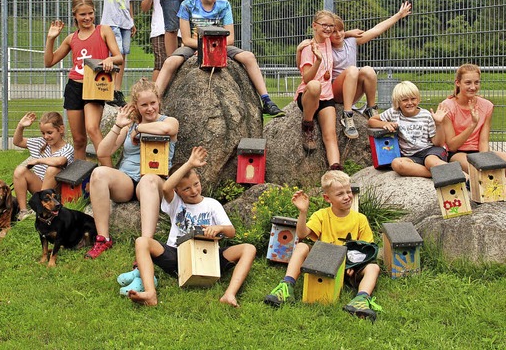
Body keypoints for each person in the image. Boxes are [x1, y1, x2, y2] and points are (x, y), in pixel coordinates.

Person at [123, 146, 256, 307]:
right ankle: (150, 294)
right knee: (142, 241)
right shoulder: (175, 203)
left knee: (249, 248)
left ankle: (229, 294)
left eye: (196, 184)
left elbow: (231, 232)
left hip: (209, 258)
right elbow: (165, 187)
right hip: (177, 257)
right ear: (177, 191)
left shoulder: (211, 204)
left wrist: (219, 228)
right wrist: (190, 163)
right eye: (186, 188)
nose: (194, 191)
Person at [154, 0, 284, 117]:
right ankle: (155, 100)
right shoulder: (187, 5)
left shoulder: (224, 5)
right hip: (194, 45)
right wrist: (203, 47)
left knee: (249, 57)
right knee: (170, 62)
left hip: (220, 45)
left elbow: (230, 38)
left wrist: (214, 48)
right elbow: (187, 39)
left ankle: (266, 100)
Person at [263, 170, 382, 321]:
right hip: (324, 263)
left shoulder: (360, 219)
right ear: (327, 198)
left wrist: (356, 264)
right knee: (302, 247)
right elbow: (302, 234)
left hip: (350, 267)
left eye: (348, 191)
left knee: (373, 267)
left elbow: (367, 248)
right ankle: (286, 287)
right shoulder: (321, 215)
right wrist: (303, 212)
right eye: (340, 194)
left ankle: (361, 300)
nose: (347, 197)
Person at [85, 78, 179, 259]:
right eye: (144, 105)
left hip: (154, 180)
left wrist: (139, 129)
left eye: (153, 103)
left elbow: (167, 129)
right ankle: (103, 239)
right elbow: (103, 152)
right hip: (127, 181)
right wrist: (118, 125)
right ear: (136, 106)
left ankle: (146, 244)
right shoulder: (129, 126)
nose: (150, 108)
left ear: (159, 101)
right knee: (98, 173)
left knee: (148, 179)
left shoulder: (170, 121)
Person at [44, 0, 122, 163]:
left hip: (95, 87)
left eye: (90, 13)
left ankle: (110, 174)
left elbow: (119, 57)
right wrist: (51, 39)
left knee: (92, 129)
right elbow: (49, 62)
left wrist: (110, 59)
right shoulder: (71, 38)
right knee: (79, 140)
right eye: (83, 14)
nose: (87, 18)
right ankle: (79, 184)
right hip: (74, 87)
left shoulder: (104, 31)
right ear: (75, 15)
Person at [440, 63, 506, 198]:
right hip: (457, 153)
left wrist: (485, 161)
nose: (473, 87)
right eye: (468, 82)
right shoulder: (447, 106)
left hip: (478, 151)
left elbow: (483, 141)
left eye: (476, 82)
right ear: (458, 83)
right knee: (473, 166)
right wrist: (472, 124)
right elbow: (452, 145)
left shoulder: (487, 105)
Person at [330, 2, 412, 139]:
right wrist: (348, 32)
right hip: (336, 92)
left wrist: (398, 15)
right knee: (352, 70)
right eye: (334, 32)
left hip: (352, 91)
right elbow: (316, 39)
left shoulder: (351, 42)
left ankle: (371, 109)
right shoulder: (326, 46)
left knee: (368, 70)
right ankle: (347, 115)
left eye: (341, 30)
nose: (338, 34)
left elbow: (376, 29)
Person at [81, 0, 136, 107]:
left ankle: (117, 90)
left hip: (125, 21)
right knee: (114, 54)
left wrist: (132, 21)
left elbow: (129, 1)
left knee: (123, 56)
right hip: (111, 21)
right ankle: (109, 90)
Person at [368, 81, 448, 178]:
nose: (410, 103)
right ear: (398, 102)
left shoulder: (425, 115)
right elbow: (372, 121)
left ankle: (462, 176)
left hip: (430, 151)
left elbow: (438, 143)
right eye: (405, 100)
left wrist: (439, 124)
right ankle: (437, 173)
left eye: (413, 99)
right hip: (410, 156)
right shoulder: (393, 113)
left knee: (431, 162)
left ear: (418, 99)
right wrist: (385, 124)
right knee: (397, 164)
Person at [295, 11, 341, 168]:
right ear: (314, 26)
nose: (328, 29)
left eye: (331, 26)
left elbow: (341, 34)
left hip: (326, 97)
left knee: (330, 135)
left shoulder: (328, 41)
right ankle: (307, 125)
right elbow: (307, 78)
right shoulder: (309, 47)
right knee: (315, 85)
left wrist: (350, 33)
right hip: (310, 95)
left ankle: (335, 169)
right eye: (324, 25)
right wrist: (318, 60)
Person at [12, 112, 75, 221]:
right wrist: (20, 126)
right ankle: (23, 212)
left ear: (60, 129)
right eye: (43, 133)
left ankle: (41, 209)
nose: (46, 136)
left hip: (56, 194)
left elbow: (60, 161)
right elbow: (18, 142)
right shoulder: (40, 143)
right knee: (20, 170)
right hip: (40, 189)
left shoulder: (67, 148)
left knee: (52, 170)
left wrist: (37, 160)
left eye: (49, 132)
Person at [140, 0, 168, 81]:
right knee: (160, 63)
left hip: (179, 31)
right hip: (160, 30)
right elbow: (144, 8)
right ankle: (155, 94)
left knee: (176, 65)